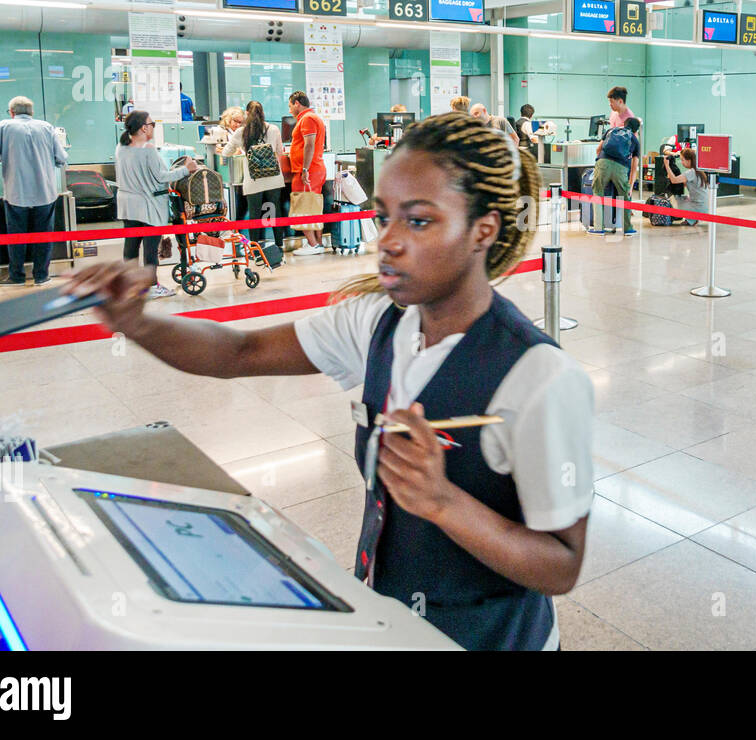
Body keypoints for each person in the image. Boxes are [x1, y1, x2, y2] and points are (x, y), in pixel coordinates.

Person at [65, 112, 594, 650]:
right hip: (388, 620)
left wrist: (442, 501)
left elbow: (562, 565)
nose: (386, 240)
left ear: (483, 229)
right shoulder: (375, 322)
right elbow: (238, 351)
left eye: (418, 221)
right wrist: (136, 322)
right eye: (383, 216)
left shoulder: (539, 377)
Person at [0, 96, 69, 286]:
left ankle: (17, 276)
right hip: (45, 192)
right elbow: (61, 157)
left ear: (12, 112)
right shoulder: (46, 127)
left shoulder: (3, 127)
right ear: (31, 112)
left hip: (16, 193)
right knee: (43, 235)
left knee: (16, 236)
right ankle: (41, 276)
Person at [115, 110, 197, 299]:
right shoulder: (148, 149)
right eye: (152, 124)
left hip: (127, 204)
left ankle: (132, 284)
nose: (153, 127)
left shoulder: (121, 147)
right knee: (150, 249)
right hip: (148, 205)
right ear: (144, 128)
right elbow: (161, 177)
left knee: (131, 246)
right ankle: (152, 287)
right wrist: (186, 169)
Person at [223, 100, 285, 247]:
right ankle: (279, 245)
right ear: (263, 113)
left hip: (253, 179)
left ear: (247, 114)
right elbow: (280, 152)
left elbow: (226, 152)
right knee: (275, 211)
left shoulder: (241, 132)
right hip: (274, 178)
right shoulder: (274, 129)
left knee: (255, 214)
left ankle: (254, 247)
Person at [288, 90, 327, 256]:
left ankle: (313, 244)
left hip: (308, 171)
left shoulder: (307, 119)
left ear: (297, 103)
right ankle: (317, 243)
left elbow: (309, 145)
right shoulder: (310, 117)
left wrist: (304, 169)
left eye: (290, 106)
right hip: (313, 169)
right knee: (312, 207)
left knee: (302, 206)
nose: (289, 109)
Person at [591, 115, 641, 236]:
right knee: (624, 197)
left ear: (624, 124)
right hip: (621, 168)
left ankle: (598, 228)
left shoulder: (611, 131)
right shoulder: (634, 140)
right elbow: (634, 166)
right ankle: (628, 229)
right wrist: (630, 185)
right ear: (636, 130)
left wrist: (601, 162)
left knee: (598, 193)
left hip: (603, 163)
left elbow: (598, 149)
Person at [663, 147, 709, 225]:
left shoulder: (691, 172)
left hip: (699, 208)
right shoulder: (699, 170)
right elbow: (683, 184)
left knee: (676, 200)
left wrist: (667, 165)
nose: (681, 162)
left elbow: (674, 180)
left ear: (689, 160)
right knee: (685, 197)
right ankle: (692, 218)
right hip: (704, 207)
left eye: (682, 160)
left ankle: (691, 219)